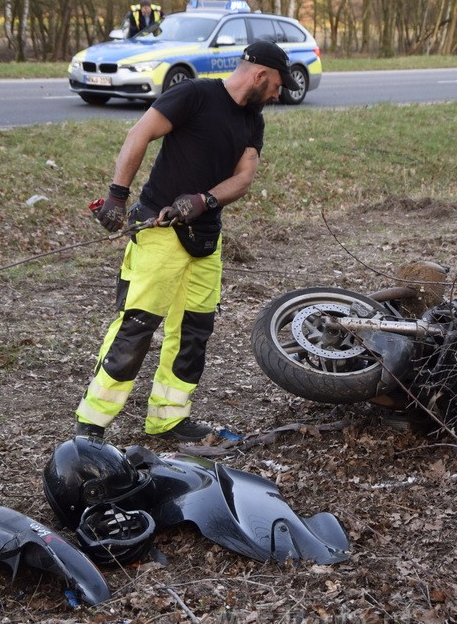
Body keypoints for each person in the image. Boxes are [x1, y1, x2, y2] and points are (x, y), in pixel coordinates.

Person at [75, 41, 300, 442]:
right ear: (260, 74)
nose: (277, 94)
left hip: (205, 242)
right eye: (276, 85)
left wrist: (205, 200)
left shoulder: (253, 121)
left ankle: (168, 418)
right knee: (137, 328)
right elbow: (139, 133)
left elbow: (244, 177)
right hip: (159, 234)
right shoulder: (194, 95)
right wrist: (116, 195)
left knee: (194, 333)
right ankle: (91, 425)